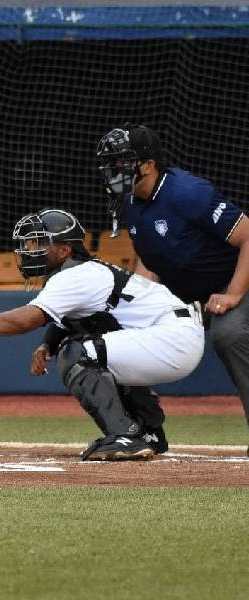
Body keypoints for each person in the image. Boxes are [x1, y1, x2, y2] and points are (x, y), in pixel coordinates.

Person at [0, 209, 205, 460]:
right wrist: (47, 345)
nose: (32, 250)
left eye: (41, 243)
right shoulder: (80, 272)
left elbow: (27, 320)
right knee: (98, 351)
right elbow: (75, 319)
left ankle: (124, 435)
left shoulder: (76, 275)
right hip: (174, 336)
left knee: (77, 352)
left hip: (173, 338)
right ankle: (148, 434)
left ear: (65, 249)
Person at [96, 125, 249, 449]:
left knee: (229, 334)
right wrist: (129, 303)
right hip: (184, 291)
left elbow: (248, 236)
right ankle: (144, 429)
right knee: (115, 328)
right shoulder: (130, 202)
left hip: (233, 281)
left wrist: (234, 293)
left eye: (121, 162)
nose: (112, 171)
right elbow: (149, 260)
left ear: (148, 165)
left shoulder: (188, 193)